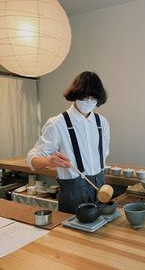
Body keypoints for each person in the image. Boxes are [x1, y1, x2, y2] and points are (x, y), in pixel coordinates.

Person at [27, 71, 110, 214]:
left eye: (93, 97)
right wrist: (48, 161)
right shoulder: (57, 123)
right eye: (85, 96)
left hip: (101, 188)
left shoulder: (101, 123)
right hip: (73, 193)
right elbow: (31, 159)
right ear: (75, 95)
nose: (89, 101)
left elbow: (103, 155)